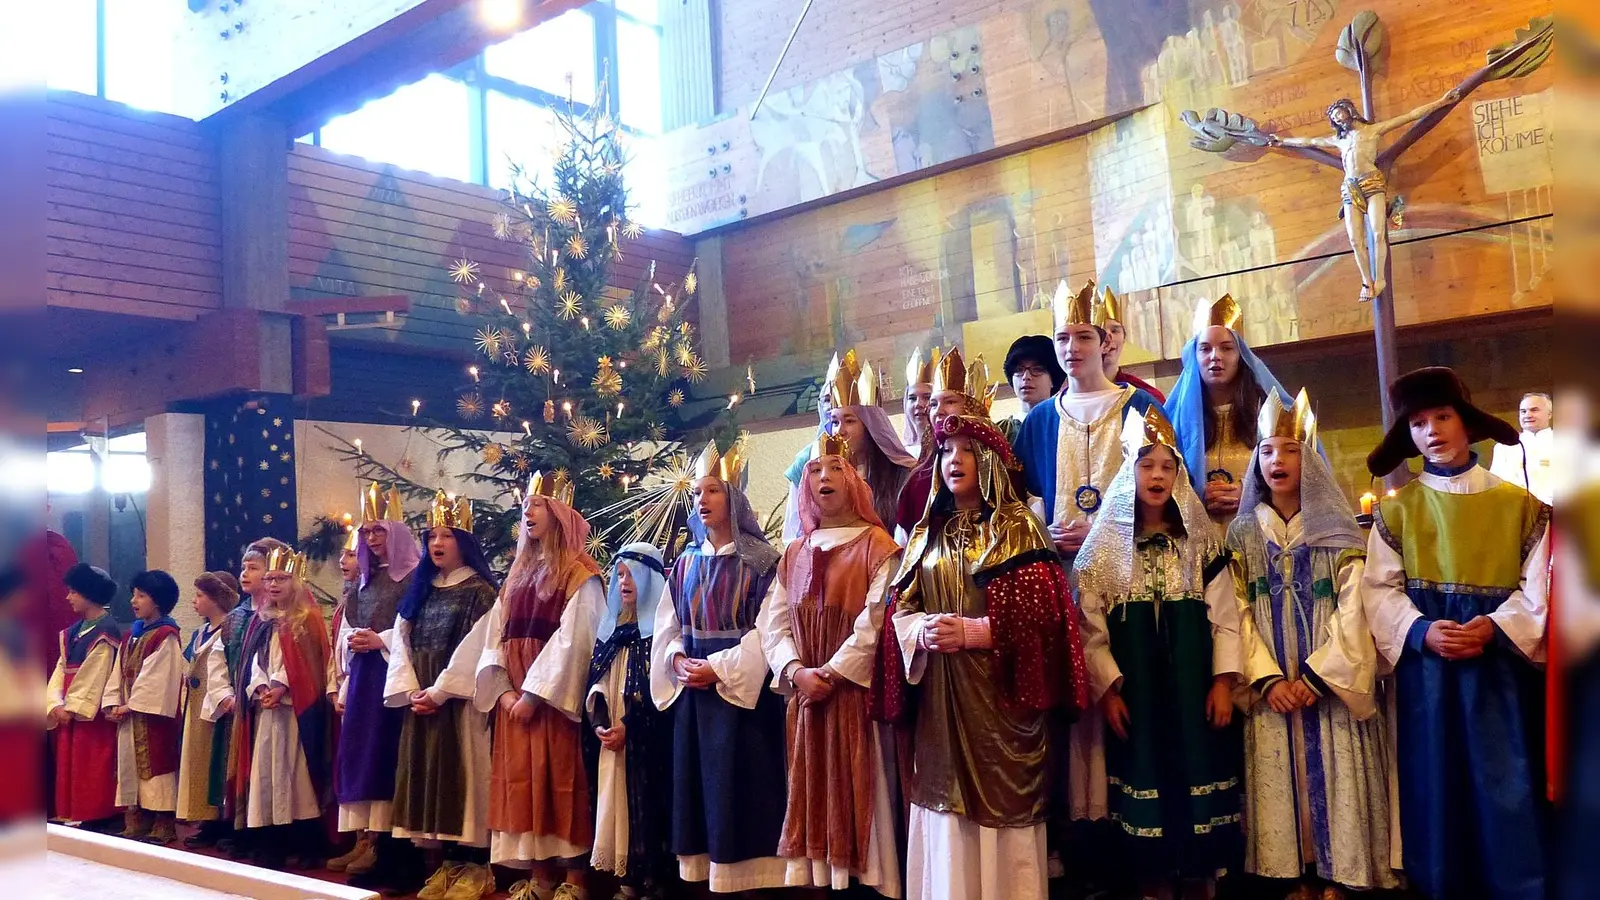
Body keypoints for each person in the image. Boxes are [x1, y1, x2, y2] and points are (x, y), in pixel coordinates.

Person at [873, 410, 1087, 900]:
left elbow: (1045, 621)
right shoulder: (928, 531)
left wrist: (971, 632)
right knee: (944, 811)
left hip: (1001, 702)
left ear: (989, 459)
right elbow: (899, 607)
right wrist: (921, 632)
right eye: (946, 451)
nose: (954, 460)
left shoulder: (1018, 528)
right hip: (941, 705)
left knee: (1003, 810)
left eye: (967, 450)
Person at [1362, 367, 1550, 900]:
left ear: (1466, 423)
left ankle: (1518, 886)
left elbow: (1537, 588)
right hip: (1430, 673)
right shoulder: (1397, 510)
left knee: (1505, 778)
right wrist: (1420, 629)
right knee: (1434, 779)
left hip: (1498, 672)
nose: (1432, 431)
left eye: (1442, 417)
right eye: (1418, 423)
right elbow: (1379, 589)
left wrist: (1494, 626)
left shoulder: (1521, 506)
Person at [1229, 391, 1396, 894]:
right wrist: (1266, 678)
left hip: (1326, 689)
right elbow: (1232, 609)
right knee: (1279, 776)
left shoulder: (1338, 530)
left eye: (1290, 450)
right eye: (1267, 451)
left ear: (1311, 461)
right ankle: (1291, 872)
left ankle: (1338, 872)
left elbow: (1356, 604)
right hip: (1272, 689)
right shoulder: (1242, 533)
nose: (1276, 460)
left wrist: (1319, 675)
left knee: (1336, 772)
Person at [1076, 408, 1244, 898]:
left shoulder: (1201, 546)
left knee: (1197, 778)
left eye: (1167, 466)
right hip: (1139, 695)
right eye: (1146, 465)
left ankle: (1199, 882)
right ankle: (1153, 884)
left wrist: (1222, 683)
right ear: (1129, 472)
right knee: (1143, 776)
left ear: (1178, 476)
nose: (1157, 475)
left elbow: (1226, 617)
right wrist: (1108, 691)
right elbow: (1090, 628)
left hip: (1194, 692)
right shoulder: (1102, 551)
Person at [1012, 280, 1160, 831]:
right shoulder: (1038, 421)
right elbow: (1020, 499)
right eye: (1062, 338)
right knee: (1069, 707)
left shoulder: (1140, 407)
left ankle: (1135, 825)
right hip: (1061, 579)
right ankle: (1077, 833)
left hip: (1128, 576)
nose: (1071, 348)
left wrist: (1102, 528)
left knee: (1128, 690)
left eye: (1082, 336)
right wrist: (1044, 532)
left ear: (1104, 342)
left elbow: (1165, 489)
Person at [760, 434, 903, 897]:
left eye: (836, 468)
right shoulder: (795, 553)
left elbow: (876, 620)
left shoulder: (877, 546)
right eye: (815, 470)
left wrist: (834, 673)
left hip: (854, 695)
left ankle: (866, 885)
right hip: (808, 697)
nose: (824, 477)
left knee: (862, 790)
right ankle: (823, 883)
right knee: (812, 787)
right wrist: (796, 671)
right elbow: (772, 623)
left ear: (854, 480)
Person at [651, 442, 790, 893]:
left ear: (734, 497)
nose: (702, 500)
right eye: (696, 493)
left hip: (741, 700)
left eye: (712, 490)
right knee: (701, 795)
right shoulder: (685, 564)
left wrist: (718, 668)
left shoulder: (763, 562)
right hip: (694, 697)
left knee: (743, 793)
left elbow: (767, 631)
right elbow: (668, 624)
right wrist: (675, 658)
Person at [474, 472, 605, 900]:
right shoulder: (517, 576)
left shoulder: (580, 573)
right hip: (515, 699)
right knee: (523, 786)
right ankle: (540, 878)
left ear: (560, 514)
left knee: (560, 784)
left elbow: (576, 640)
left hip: (552, 703)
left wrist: (532, 695)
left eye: (537, 505)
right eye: (525, 505)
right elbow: (494, 637)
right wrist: (504, 691)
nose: (527, 512)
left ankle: (574, 882)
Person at [385, 494, 498, 898]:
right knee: (429, 774)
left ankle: (477, 867)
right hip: (421, 694)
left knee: (465, 774)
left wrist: (440, 691)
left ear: (463, 542)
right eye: (431, 535)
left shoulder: (480, 591)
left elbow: (479, 644)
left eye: (446, 535)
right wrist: (411, 687)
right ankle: (448, 865)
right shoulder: (422, 590)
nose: (437, 542)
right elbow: (401, 638)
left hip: (458, 699)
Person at [331, 484, 422, 884]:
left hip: (395, 676)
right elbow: (348, 626)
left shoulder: (413, 577)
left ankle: (393, 851)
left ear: (395, 532)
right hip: (366, 676)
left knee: (389, 757)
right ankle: (369, 841)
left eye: (378, 531)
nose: (371, 538)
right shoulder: (364, 582)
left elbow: (416, 629)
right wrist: (354, 644)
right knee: (364, 755)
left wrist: (380, 640)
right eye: (366, 532)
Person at [232, 549, 333, 869]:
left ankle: (306, 842)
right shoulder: (261, 621)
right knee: (266, 774)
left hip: (295, 714)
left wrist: (282, 687)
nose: (273, 584)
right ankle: (271, 842)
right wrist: (261, 686)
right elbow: (253, 662)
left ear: (297, 581)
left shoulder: (308, 620)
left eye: (282, 578)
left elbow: (311, 665)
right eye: (270, 578)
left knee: (297, 776)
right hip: (266, 711)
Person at [584, 542, 675, 896]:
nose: (624, 582)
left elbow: (663, 694)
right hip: (614, 738)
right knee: (618, 805)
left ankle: (655, 881)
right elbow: (598, 679)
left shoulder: (660, 637)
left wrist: (632, 726)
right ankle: (628, 881)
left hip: (648, 744)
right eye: (620, 575)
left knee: (648, 805)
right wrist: (600, 719)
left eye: (632, 575)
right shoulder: (613, 635)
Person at [1164, 293, 1295, 533]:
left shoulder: (1271, 412)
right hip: (1197, 538)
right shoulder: (1174, 419)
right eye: (1205, 349)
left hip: (1261, 533)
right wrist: (1195, 495)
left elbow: (1302, 475)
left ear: (1241, 356)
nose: (1215, 356)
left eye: (1226, 348)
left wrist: (1250, 491)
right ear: (1194, 357)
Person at [787, 350, 918, 542]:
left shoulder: (901, 475)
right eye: (835, 422)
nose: (839, 431)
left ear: (870, 426)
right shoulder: (825, 478)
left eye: (849, 421)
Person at [106, 570, 184, 844]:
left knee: (157, 766)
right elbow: (118, 672)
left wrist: (131, 706)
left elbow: (158, 679)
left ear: (158, 600)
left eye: (141, 596)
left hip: (153, 719)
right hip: (129, 715)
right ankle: (139, 818)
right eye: (133, 595)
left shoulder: (166, 635)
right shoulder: (132, 634)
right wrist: (112, 702)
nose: (133, 601)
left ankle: (163, 821)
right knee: (131, 766)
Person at [895, 347, 999, 543]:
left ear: (971, 407)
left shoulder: (999, 469)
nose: (938, 411)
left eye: (949, 402)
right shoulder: (918, 480)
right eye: (934, 404)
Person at [46, 562, 122, 828]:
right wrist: (54, 702)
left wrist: (72, 707)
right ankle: (72, 810)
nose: (68, 597)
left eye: (73, 592)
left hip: (91, 713)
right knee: (70, 761)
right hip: (68, 707)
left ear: (89, 593)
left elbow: (96, 673)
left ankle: (95, 812)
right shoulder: (71, 633)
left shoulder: (106, 631)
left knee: (91, 761)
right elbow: (60, 669)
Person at [176, 572, 241, 847]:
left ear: (217, 599)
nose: (195, 601)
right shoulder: (200, 633)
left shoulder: (229, 629)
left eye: (200, 595)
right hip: (196, 705)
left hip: (216, 707)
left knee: (217, 761)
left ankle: (220, 819)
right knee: (198, 761)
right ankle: (204, 816)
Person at [1097, 288, 1166, 403]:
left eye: (1115, 331)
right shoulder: (1069, 398)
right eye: (1101, 331)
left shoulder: (1147, 396)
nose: (1108, 338)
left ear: (1124, 339)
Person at [1490, 391, 1555, 503]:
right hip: (1516, 507)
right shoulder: (1504, 446)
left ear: (1549, 414)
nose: (1528, 415)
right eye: (1523, 411)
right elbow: (1497, 482)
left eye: (1534, 410)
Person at [1001, 334, 1066, 440]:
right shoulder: (1000, 431)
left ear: (1053, 379)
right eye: (1019, 370)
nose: (1026, 377)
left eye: (1037, 369)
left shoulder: (1067, 426)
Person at [902, 347, 939, 459]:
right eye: (912, 398)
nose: (918, 404)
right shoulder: (901, 455)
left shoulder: (949, 450)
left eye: (927, 397)